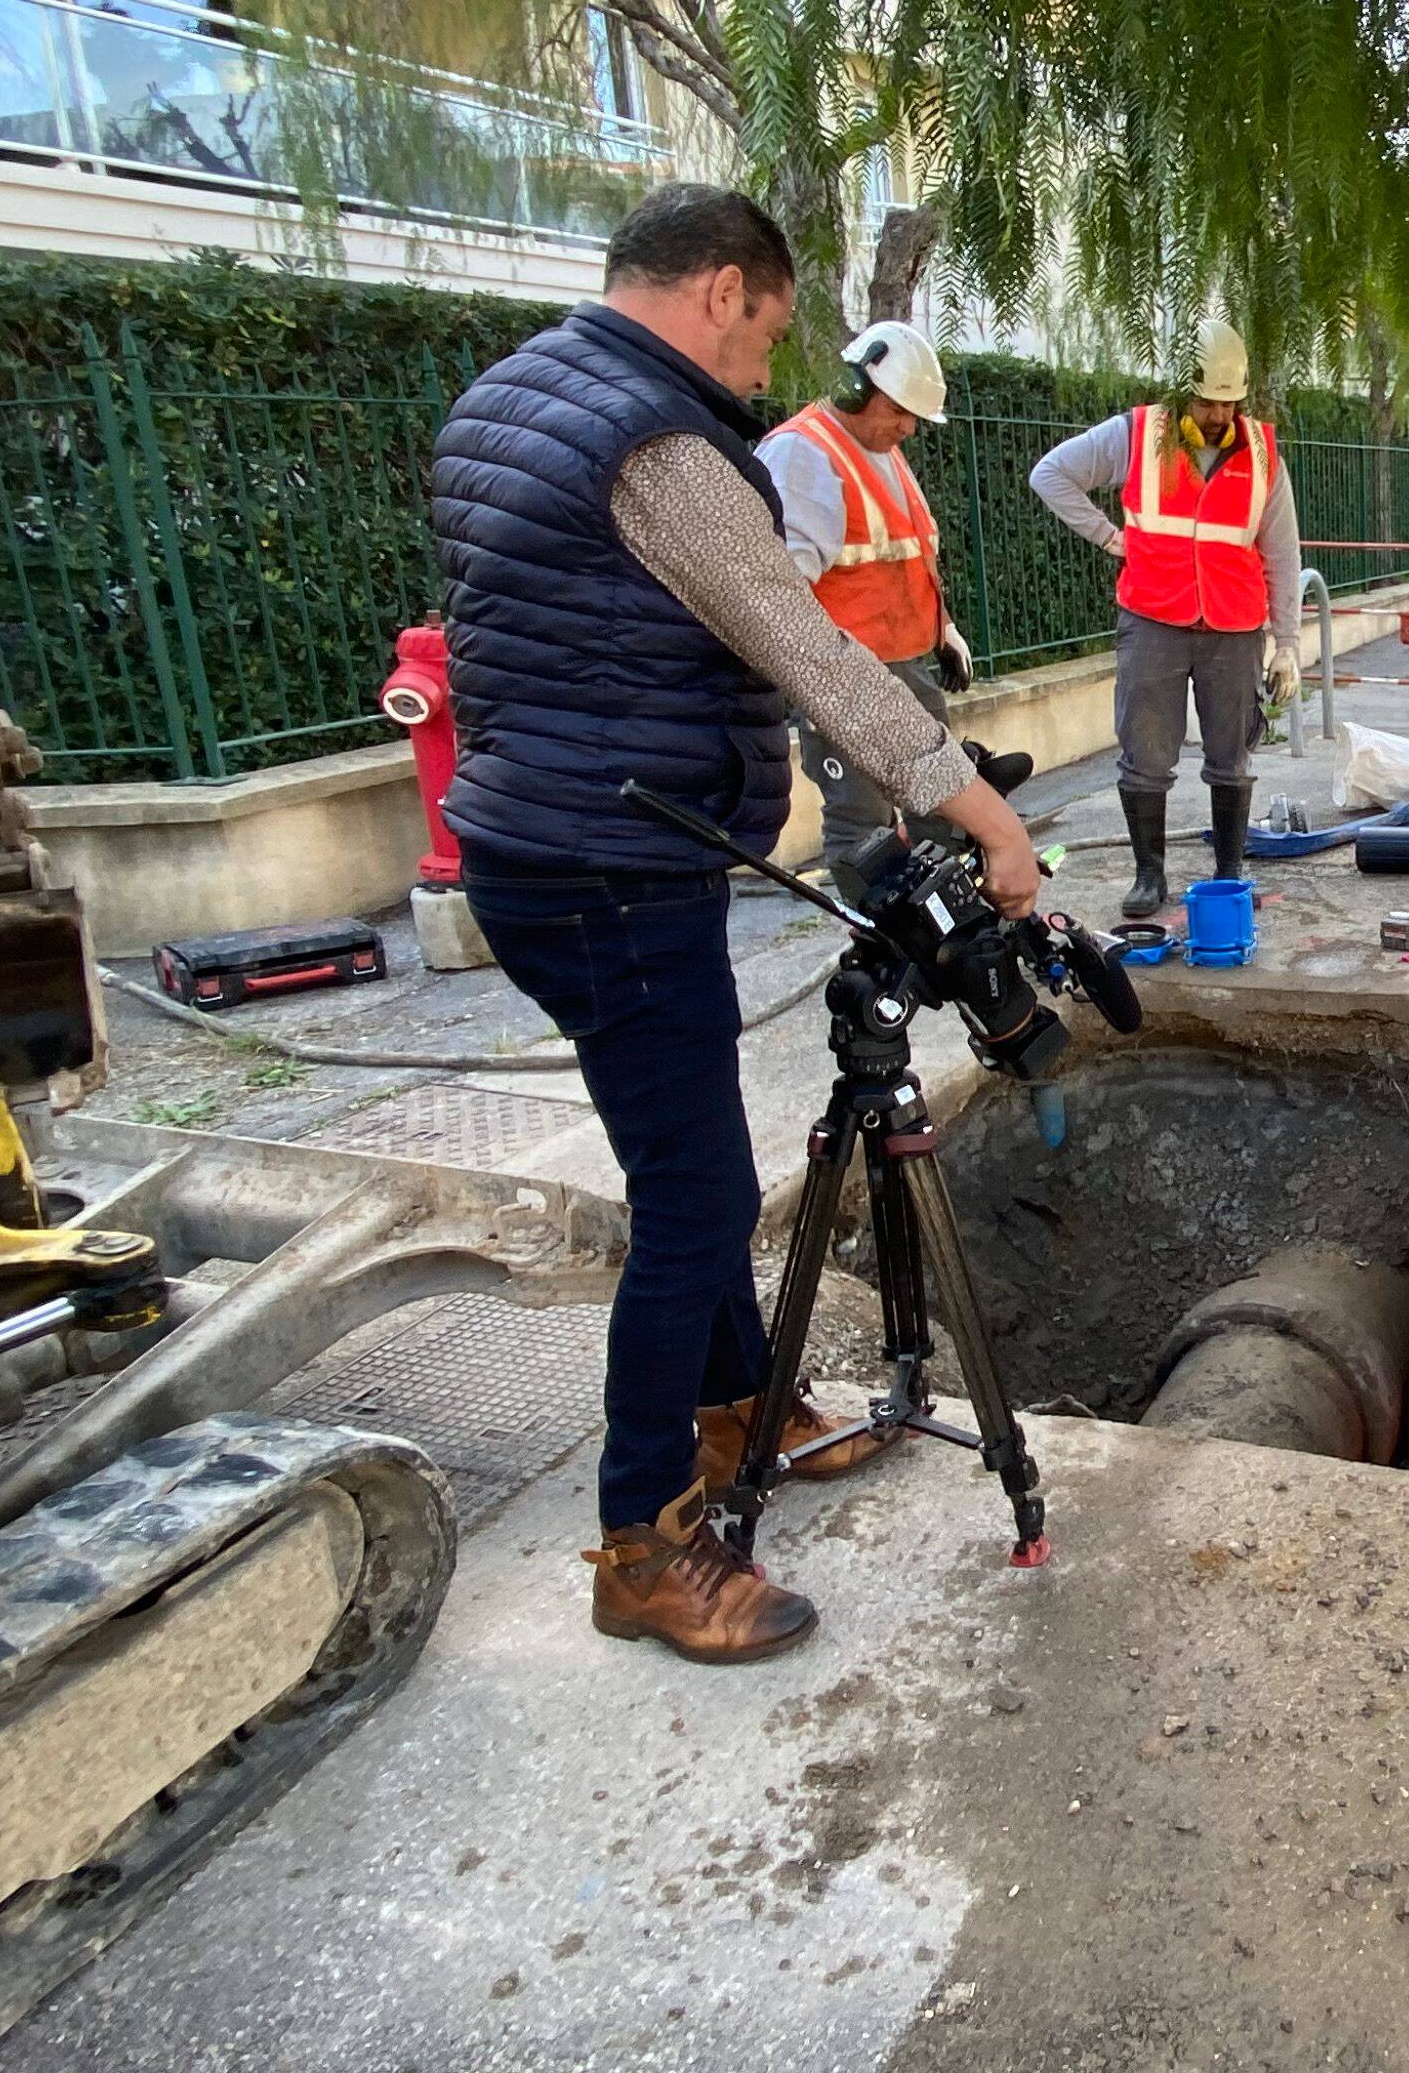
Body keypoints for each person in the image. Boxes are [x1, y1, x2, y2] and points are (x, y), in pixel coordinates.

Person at [429, 185, 1043, 1668]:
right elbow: (803, 645)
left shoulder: (505, 397)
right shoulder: (661, 445)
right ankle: (643, 1544)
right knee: (701, 1199)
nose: (766, 370)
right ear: (720, 290)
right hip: (614, 866)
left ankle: (731, 1414)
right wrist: (983, 813)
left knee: (677, 1158)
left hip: (531, 846)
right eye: (768, 331)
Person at [1028, 317, 1301, 919]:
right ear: (1183, 391)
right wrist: (1108, 538)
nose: (1217, 415)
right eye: (1206, 401)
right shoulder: (1137, 434)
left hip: (1233, 626)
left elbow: (1281, 551)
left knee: (1232, 753)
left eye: (1228, 402)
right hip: (1153, 619)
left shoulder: (1261, 452)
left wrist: (1288, 643)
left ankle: (1230, 872)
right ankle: (1148, 876)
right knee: (1147, 753)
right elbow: (1050, 475)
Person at [759, 316, 979, 876]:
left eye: (914, 416)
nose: (909, 427)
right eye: (900, 411)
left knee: (941, 802)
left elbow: (910, 554)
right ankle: (882, 947)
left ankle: (944, 939)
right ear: (855, 390)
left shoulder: (879, 449)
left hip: (905, 665)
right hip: (844, 678)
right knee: (862, 828)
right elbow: (779, 593)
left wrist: (943, 630)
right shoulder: (802, 456)